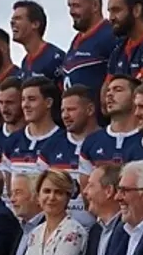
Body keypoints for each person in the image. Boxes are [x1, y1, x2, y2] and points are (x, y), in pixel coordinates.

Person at [38, 86, 98, 226]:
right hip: (60, 230)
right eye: (63, 110)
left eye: (71, 110)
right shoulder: (51, 145)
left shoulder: (105, 142)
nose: (65, 115)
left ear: (89, 110)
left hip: (97, 229)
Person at [22, 170, 87, 255]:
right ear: (38, 196)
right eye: (47, 191)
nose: (51, 197)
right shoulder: (36, 232)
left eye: (59, 192)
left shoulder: (73, 232)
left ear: (68, 198)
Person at [68, 165, 126, 255]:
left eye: (91, 185)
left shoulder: (127, 231)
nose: (85, 192)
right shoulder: (96, 231)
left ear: (109, 191)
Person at [63, 0, 117, 106]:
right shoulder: (76, 41)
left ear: (95, 6)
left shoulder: (110, 35)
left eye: (76, 6)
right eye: (69, 6)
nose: (71, 12)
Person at [78, 75, 143, 174]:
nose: (109, 94)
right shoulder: (91, 142)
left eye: (118, 90)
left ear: (136, 97)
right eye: (108, 90)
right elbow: (87, 187)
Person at [5, 77, 64, 178]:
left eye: (32, 99)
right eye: (23, 99)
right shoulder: (12, 140)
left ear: (48, 103)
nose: (25, 105)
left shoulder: (63, 140)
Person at [11, 0, 65, 82]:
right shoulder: (25, 62)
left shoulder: (55, 57)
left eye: (18, 18)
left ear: (35, 24)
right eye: (13, 19)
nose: (12, 22)